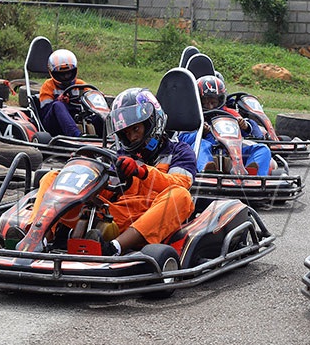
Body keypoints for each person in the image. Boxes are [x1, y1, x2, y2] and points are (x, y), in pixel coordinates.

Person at [32, 88, 197, 256]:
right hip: (112, 216)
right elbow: (105, 190)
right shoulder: (118, 155)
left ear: (152, 122)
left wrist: (142, 172)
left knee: (181, 196)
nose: (132, 137)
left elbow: (181, 183)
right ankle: (38, 237)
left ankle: (114, 248)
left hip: (149, 218)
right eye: (126, 133)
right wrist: (82, 169)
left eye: (136, 129)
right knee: (52, 177)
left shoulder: (180, 151)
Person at [179, 75, 273, 175]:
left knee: (262, 149)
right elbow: (182, 139)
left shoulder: (230, 113)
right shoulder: (193, 116)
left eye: (213, 102)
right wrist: (201, 133)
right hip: (209, 152)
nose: (210, 106)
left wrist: (245, 126)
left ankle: (253, 176)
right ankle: (207, 170)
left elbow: (256, 134)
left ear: (220, 100)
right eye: (205, 103)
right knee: (202, 145)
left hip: (234, 154)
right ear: (198, 101)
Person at [38, 49, 103, 138]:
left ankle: (108, 136)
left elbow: (92, 99)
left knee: (98, 113)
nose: (65, 77)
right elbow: (45, 110)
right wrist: (60, 100)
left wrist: (97, 96)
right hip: (54, 123)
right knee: (58, 105)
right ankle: (77, 136)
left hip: (77, 118)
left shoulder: (80, 84)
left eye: (68, 74)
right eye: (62, 74)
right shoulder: (48, 86)